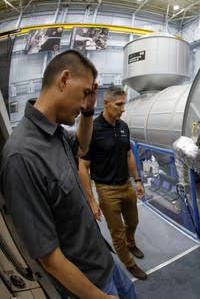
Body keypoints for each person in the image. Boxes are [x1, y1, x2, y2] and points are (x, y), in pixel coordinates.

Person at [0, 49, 139, 298]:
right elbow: (49, 257)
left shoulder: (55, 133)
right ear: (64, 80)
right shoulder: (21, 158)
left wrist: (86, 112)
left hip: (104, 260)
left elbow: (84, 146)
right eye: (85, 93)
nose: (87, 101)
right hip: (88, 284)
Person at [78, 85, 147, 280]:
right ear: (106, 103)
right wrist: (92, 200)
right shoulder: (92, 130)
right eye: (119, 104)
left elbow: (129, 155)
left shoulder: (123, 126)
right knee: (116, 233)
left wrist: (138, 180)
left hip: (126, 185)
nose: (123, 108)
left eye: (124, 104)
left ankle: (131, 243)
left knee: (133, 221)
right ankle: (130, 264)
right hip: (106, 189)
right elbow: (83, 166)